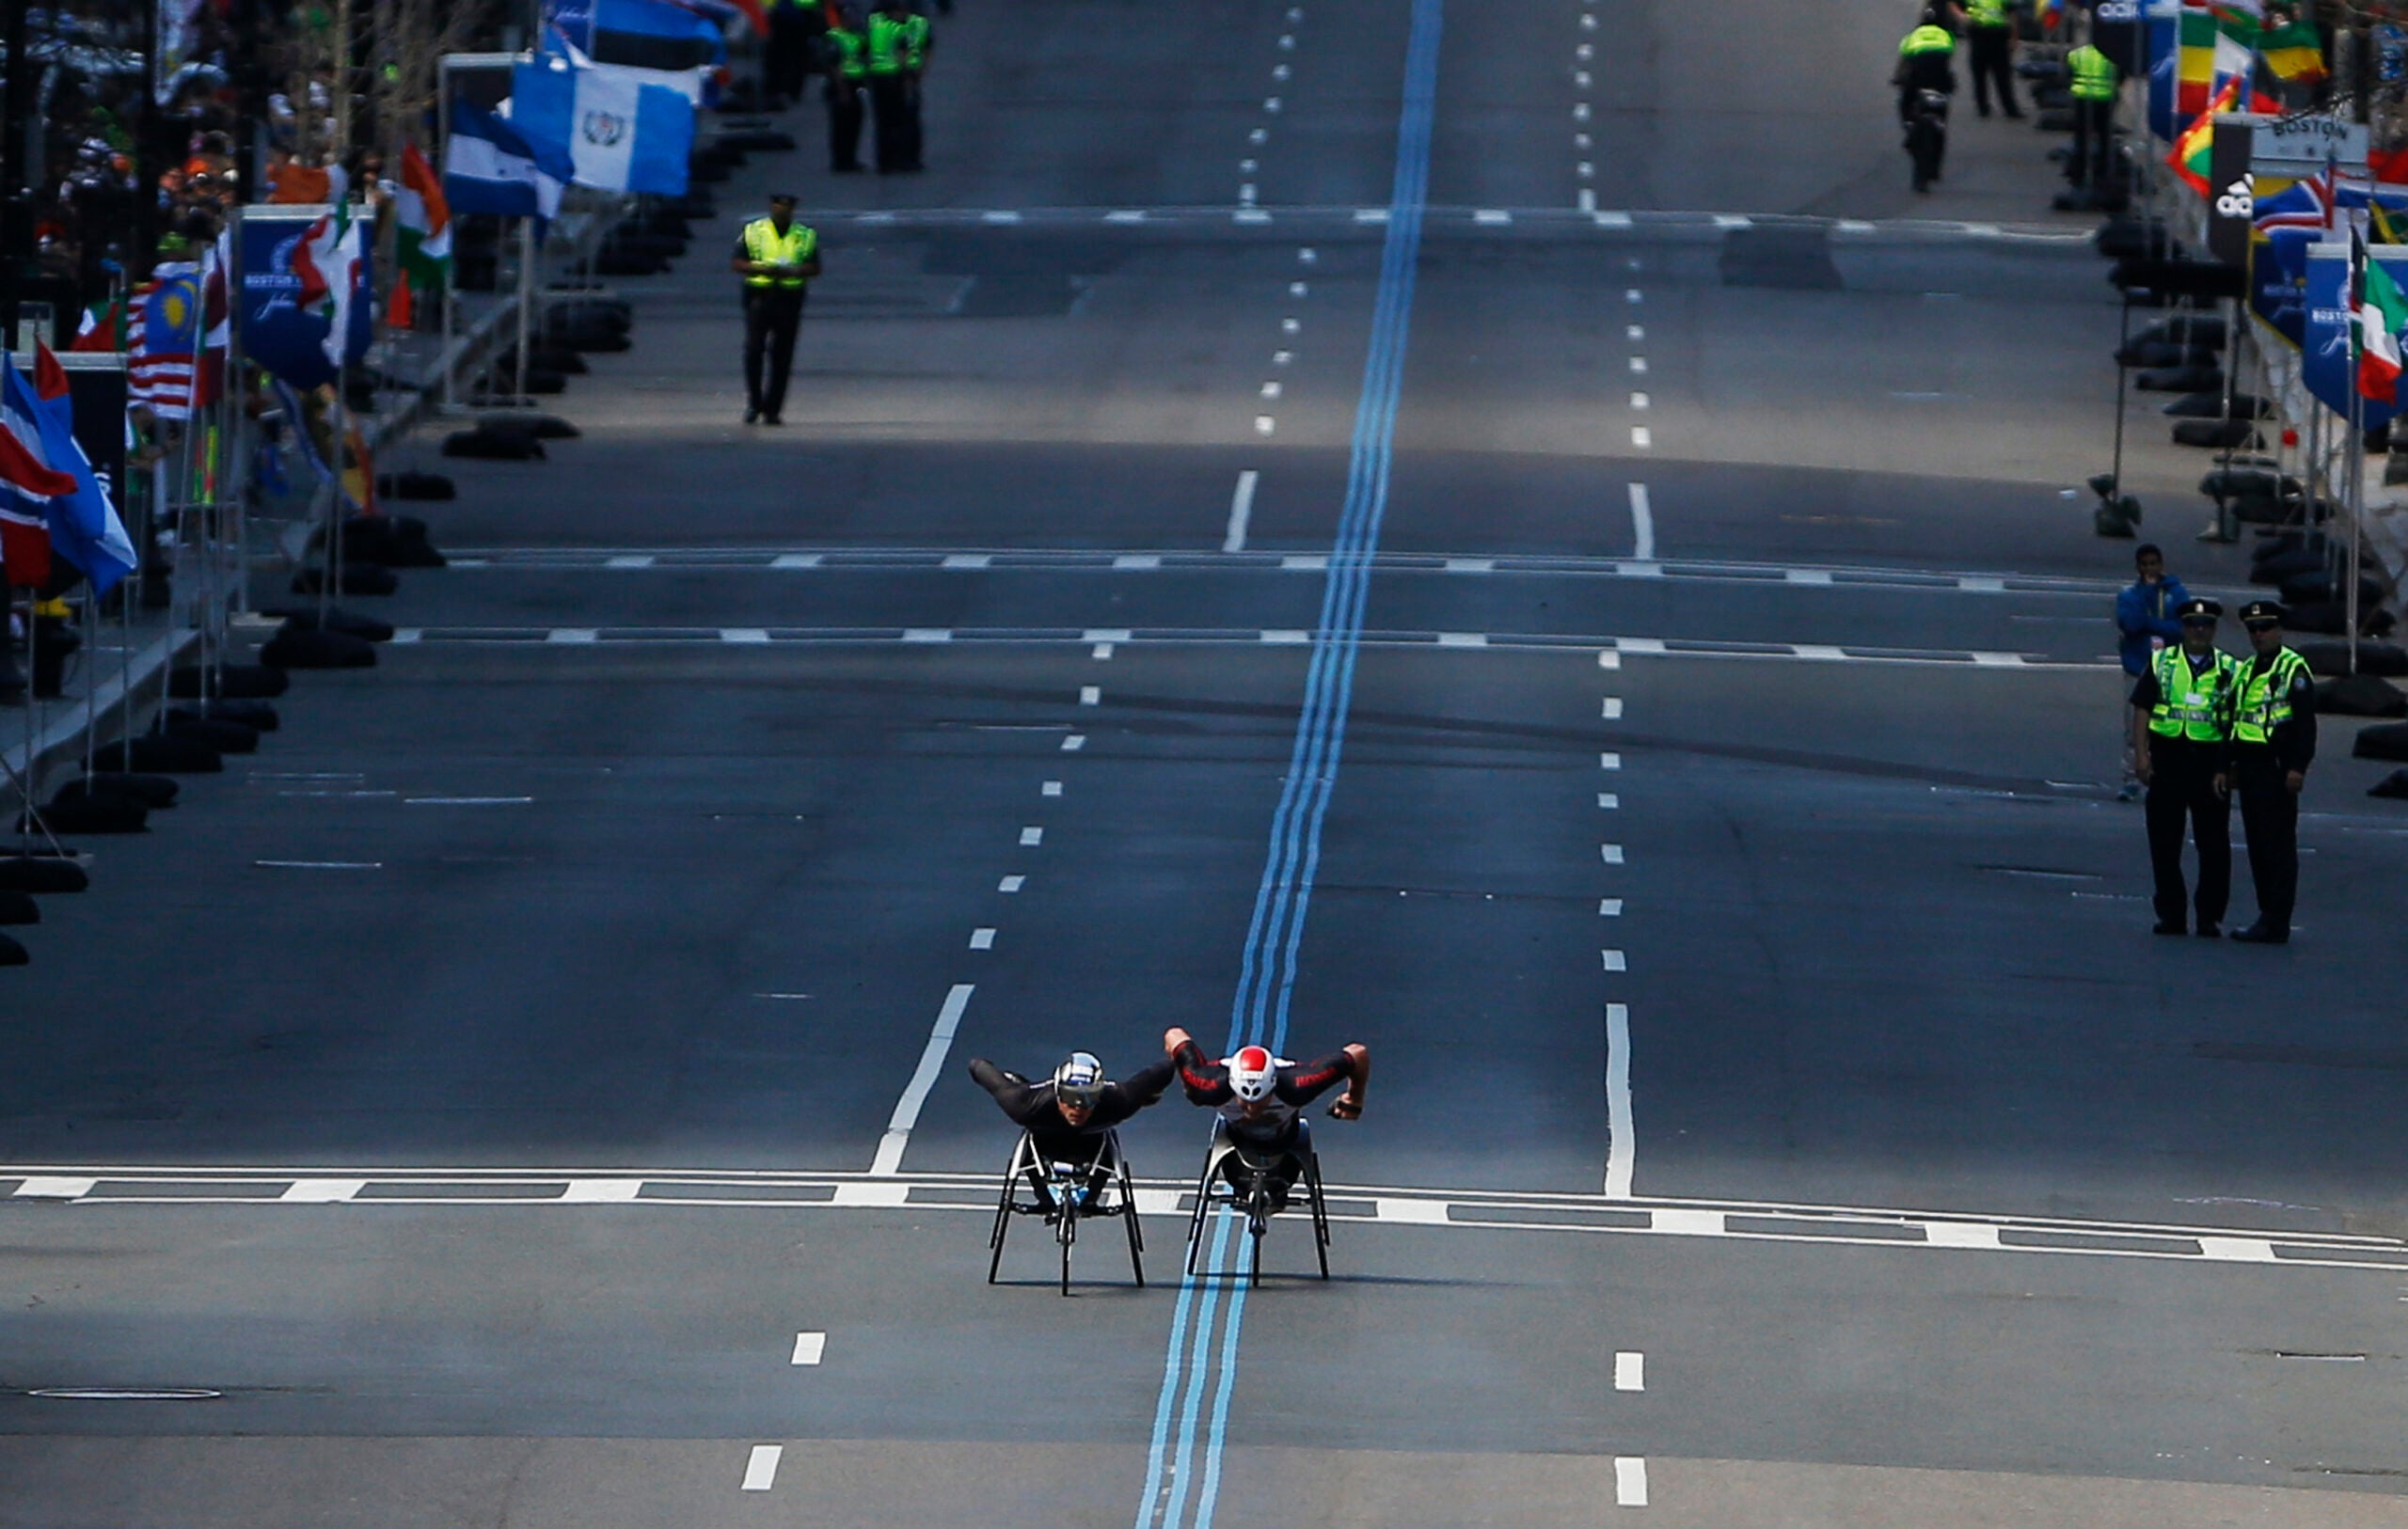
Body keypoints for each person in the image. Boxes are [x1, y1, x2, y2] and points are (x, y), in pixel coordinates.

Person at [1164, 1027, 1368, 1212]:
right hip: (1236, 1142)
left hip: (1285, 1144)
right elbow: (1173, 1035)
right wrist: (1188, 1084)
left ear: (1273, 1086)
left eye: (1261, 1100)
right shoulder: (1207, 1086)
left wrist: (1354, 1099)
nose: (1252, 1109)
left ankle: (1275, 1187)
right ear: (1233, 1088)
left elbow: (1358, 1054)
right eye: (1245, 1102)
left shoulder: (1298, 1086)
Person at [2131, 598, 2241, 937]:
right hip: (2169, 758)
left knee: (2214, 845)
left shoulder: (2229, 668)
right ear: (2183, 627)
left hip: (2210, 764)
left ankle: (2209, 916)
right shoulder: (2163, 662)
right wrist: (2141, 755)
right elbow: (2142, 708)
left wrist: (2230, 765)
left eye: (2205, 625)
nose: (2199, 630)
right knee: (2164, 842)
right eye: (2193, 624)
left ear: (2213, 629)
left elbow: (2237, 721)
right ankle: (2171, 913)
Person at [969, 1049, 1176, 1209]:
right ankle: (1045, 1199)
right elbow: (977, 1066)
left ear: (1099, 1094)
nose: (1078, 1107)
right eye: (1070, 1097)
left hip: (1094, 1143)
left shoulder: (1118, 1101)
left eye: (1089, 1098)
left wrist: (1153, 1090)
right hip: (1043, 1136)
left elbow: (1166, 1069)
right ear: (1058, 1093)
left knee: (1108, 1132)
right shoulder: (1025, 1104)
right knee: (1023, 1111)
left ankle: (1089, 1200)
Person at [2226, 600, 2316, 944]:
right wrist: (2230, 765)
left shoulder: (2294, 669)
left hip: (2277, 768)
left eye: (2265, 628)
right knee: (2258, 845)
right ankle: (2267, 914)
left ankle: (2276, 918)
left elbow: (2305, 725)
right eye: (2253, 629)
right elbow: (2237, 719)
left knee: (2278, 846)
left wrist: (2297, 767)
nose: (2259, 635)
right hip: (2250, 767)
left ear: (2279, 630)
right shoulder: (2248, 669)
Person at [730, 194, 820, 425]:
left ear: (792, 211)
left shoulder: (805, 235)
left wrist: (795, 271)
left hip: (790, 297)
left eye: (787, 209)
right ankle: (754, 403)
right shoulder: (754, 231)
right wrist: (761, 268)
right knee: (753, 350)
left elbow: (815, 266)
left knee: (782, 355)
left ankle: (773, 409)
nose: (782, 212)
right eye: (778, 207)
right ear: (772, 208)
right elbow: (737, 262)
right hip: (759, 296)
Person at [2115, 544, 2191, 800]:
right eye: (2144, 565)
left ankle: (2160, 776)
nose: (2149, 569)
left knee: (2165, 726)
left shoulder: (2176, 593)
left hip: (2167, 669)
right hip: (2138, 668)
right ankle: (2131, 778)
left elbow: (2182, 629)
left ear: (2161, 565)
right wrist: (2146, 596)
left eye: (2153, 564)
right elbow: (2132, 624)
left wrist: (2152, 623)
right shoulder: (2129, 595)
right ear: (2138, 568)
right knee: (2133, 727)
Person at [2065, 27, 2119, 188]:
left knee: (2081, 138)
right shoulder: (2113, 55)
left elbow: (2068, 74)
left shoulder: (2077, 54)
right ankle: (2103, 172)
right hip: (2105, 99)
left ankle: (2078, 173)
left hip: (2082, 98)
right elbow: (2120, 77)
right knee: (2104, 138)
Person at [866, 0, 913, 174]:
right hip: (893, 79)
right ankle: (896, 159)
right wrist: (907, 78)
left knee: (881, 122)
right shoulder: (898, 30)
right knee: (897, 121)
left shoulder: (875, 28)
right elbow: (903, 57)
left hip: (877, 78)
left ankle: (883, 161)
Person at [823, 6, 869, 173]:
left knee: (855, 123)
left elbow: (864, 58)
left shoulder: (857, 36)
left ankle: (850, 158)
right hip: (841, 86)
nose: (853, 21)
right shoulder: (836, 37)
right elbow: (835, 66)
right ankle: (841, 161)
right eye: (849, 18)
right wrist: (842, 90)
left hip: (854, 85)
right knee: (842, 125)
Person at [1964, 0, 2021, 118]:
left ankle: (2010, 108)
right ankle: (1983, 107)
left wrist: (2014, 37)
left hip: (1998, 34)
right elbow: (1954, 4)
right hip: (1979, 33)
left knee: (2002, 75)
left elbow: (2012, 14)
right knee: (1979, 73)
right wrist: (1962, 17)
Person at [898, 1, 933, 172]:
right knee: (904, 120)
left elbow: (926, 48)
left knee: (909, 119)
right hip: (899, 76)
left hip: (907, 76)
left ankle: (909, 157)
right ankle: (906, 157)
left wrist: (916, 73)